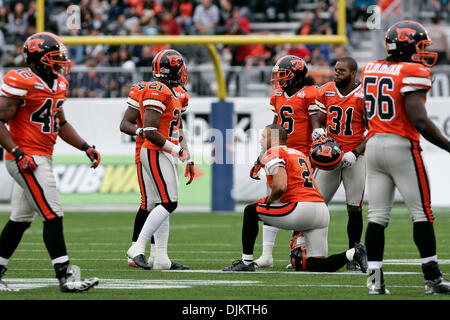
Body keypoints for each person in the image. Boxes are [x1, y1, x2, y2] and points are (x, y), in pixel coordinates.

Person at [0, 32, 101, 292]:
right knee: (52, 214)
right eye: (54, 58)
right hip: (27, 158)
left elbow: (61, 123)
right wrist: (18, 152)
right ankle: (65, 277)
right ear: (37, 60)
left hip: (41, 156)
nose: (61, 62)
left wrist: (85, 147)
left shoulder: (58, 84)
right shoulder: (21, 80)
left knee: (21, 219)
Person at [360, 20, 450, 295]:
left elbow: (367, 113)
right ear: (408, 45)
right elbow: (420, 120)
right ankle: (432, 278)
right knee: (421, 213)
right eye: (420, 46)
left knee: (376, 217)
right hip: (401, 146)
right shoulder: (413, 71)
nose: (423, 52)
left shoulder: (370, 68)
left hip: (374, 144)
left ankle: (375, 281)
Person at [223, 124, 368, 272]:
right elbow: (315, 187)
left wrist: (268, 201)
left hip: (301, 209)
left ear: (273, 139)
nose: (260, 141)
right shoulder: (298, 154)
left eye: (263, 137)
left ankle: (246, 262)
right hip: (321, 211)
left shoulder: (274, 151)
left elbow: (280, 187)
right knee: (316, 266)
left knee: (250, 211)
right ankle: (353, 253)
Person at [250, 55, 324, 269]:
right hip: (280, 154)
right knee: (270, 200)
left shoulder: (310, 94)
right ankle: (266, 255)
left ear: (296, 76)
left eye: (282, 75)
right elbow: (276, 126)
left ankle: (299, 253)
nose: (279, 79)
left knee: (301, 202)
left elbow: (316, 124)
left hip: (301, 156)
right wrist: (263, 153)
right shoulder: (277, 96)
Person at [126, 49, 195, 270]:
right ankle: (137, 247)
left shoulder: (176, 93)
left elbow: (177, 128)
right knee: (168, 202)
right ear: (172, 69)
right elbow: (149, 130)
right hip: (155, 150)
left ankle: (161, 258)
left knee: (162, 203)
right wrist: (177, 150)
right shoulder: (158, 90)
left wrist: (186, 153)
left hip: (164, 150)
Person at [312, 57, 367, 271]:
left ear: (353, 73)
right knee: (315, 205)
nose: (336, 74)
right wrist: (319, 129)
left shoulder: (363, 95)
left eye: (341, 71)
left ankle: (354, 255)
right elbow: (318, 116)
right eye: (335, 70)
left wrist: (355, 152)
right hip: (329, 155)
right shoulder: (326, 90)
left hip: (355, 157)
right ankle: (303, 252)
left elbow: (372, 130)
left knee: (354, 207)